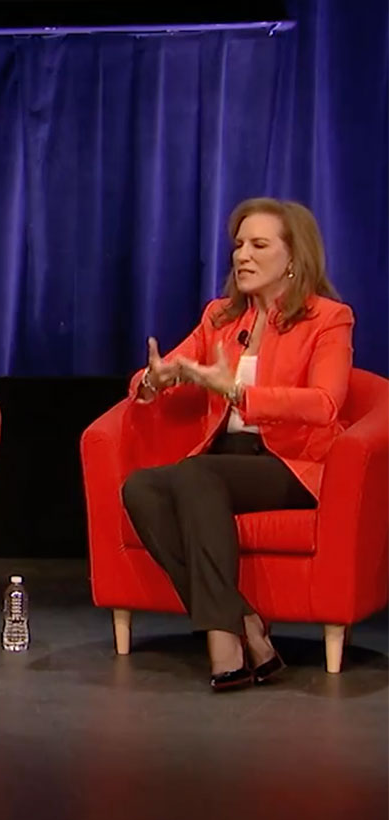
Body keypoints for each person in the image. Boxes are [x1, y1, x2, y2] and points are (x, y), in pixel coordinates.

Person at [121, 197, 352, 691]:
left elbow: (326, 404)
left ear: (294, 257)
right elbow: (162, 371)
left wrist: (240, 393)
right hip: (225, 465)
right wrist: (155, 381)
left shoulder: (328, 319)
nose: (242, 255)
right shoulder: (222, 318)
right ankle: (245, 621)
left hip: (290, 463)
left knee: (196, 473)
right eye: (239, 245)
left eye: (259, 245)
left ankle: (222, 641)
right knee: (141, 487)